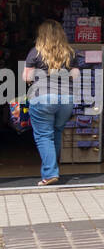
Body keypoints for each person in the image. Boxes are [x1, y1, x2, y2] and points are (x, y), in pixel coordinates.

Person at [23, 20, 81, 186]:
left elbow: (26, 77)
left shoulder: (35, 52)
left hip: (42, 98)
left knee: (43, 136)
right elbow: (75, 75)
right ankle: (51, 170)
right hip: (65, 99)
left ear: (42, 35)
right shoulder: (70, 53)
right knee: (55, 133)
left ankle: (50, 173)